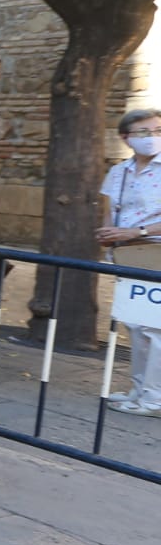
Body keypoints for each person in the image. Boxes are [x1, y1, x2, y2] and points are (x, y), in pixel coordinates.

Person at [98, 108, 161, 414]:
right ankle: (139, 390)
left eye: (158, 130)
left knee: (156, 328)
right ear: (126, 138)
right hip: (128, 253)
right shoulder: (119, 171)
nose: (153, 137)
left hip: (155, 251)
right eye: (144, 132)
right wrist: (108, 234)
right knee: (135, 324)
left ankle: (155, 398)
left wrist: (135, 230)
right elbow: (110, 209)